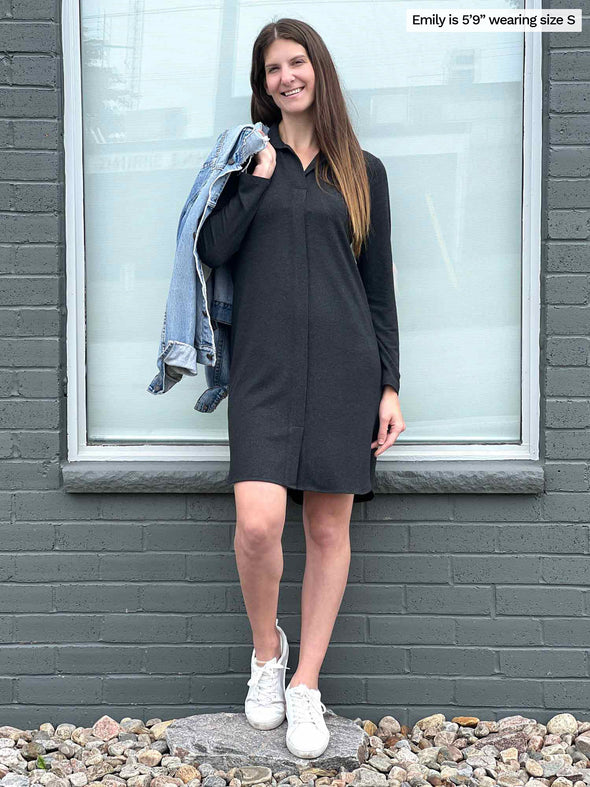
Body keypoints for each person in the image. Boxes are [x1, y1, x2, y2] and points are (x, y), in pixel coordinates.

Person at [196, 18, 405, 759]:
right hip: (263, 370)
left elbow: (377, 289)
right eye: (273, 68)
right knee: (258, 524)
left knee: (325, 531)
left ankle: (306, 683)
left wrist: (390, 384)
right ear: (264, 84)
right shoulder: (248, 159)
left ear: (318, 69)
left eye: (297, 61)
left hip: (346, 371)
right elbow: (211, 250)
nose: (287, 76)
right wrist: (252, 185)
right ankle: (266, 654)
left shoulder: (362, 170)